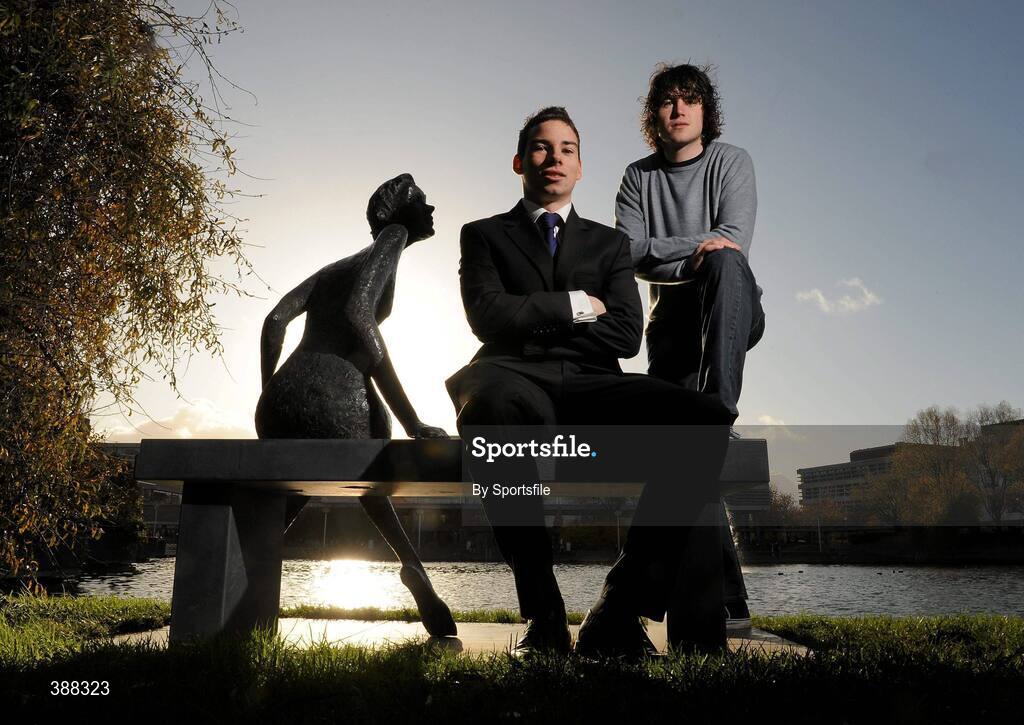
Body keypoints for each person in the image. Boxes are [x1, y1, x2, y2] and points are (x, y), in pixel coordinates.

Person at [446, 107, 733, 657]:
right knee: (493, 411)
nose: (554, 158)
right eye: (541, 147)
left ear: (580, 169)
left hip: (594, 385)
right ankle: (544, 613)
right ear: (518, 161)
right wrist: (578, 305)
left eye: (567, 150)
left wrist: (530, 318)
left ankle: (620, 609)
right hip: (510, 380)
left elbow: (626, 334)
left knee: (705, 418)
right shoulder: (482, 235)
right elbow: (486, 316)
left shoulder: (609, 245)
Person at [255, 173, 457, 637]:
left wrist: (270, 395)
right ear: (400, 210)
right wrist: (413, 420)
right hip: (336, 394)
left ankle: (252, 558)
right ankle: (411, 565)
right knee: (372, 467)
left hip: (282, 399)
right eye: (423, 201)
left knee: (303, 488)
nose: (431, 210)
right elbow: (358, 315)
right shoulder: (393, 237)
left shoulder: (334, 267)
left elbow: (273, 322)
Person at [614, 63, 766, 631]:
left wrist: (675, 251)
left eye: (691, 100)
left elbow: (733, 242)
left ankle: (718, 407)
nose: (678, 109)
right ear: (654, 116)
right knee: (690, 459)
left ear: (706, 111)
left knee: (725, 262)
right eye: (667, 102)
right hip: (672, 331)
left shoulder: (732, 162)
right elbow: (626, 253)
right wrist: (692, 249)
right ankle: (731, 603)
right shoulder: (637, 177)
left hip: (730, 309)